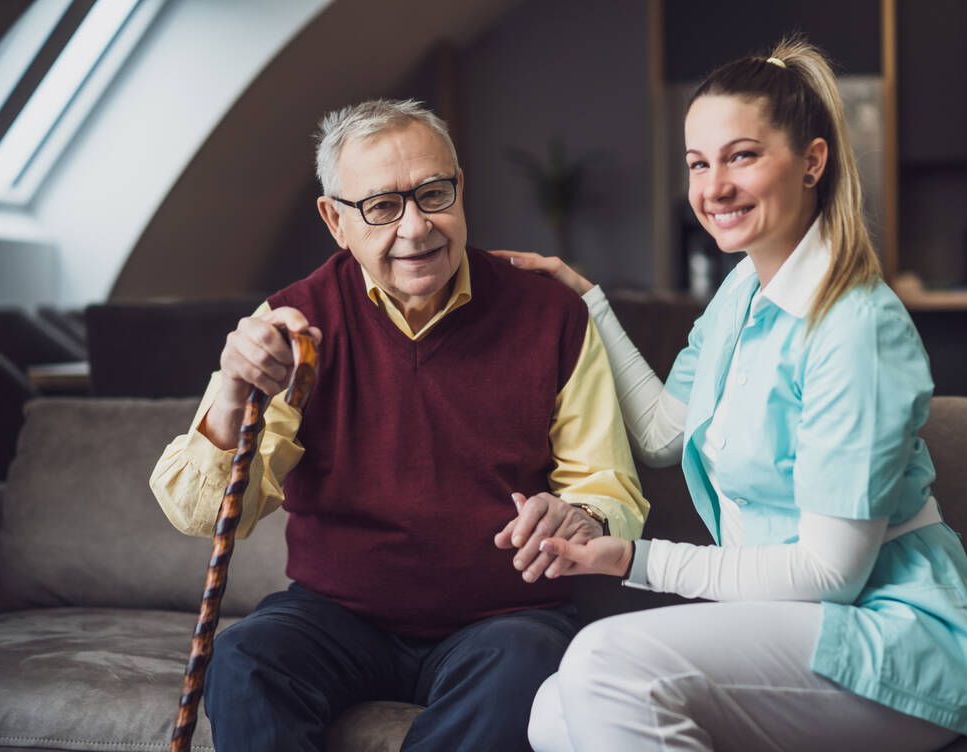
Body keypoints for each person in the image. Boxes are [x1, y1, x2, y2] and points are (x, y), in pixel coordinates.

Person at [496, 38, 967, 752]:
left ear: (813, 162)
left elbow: (830, 572)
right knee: (551, 709)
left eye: (742, 156)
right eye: (699, 164)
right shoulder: (743, 291)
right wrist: (589, 305)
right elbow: (667, 434)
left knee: (604, 665)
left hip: (895, 635)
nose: (713, 187)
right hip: (793, 626)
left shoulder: (855, 324)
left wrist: (628, 558)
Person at [150, 98, 648, 752]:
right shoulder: (294, 325)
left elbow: (611, 489)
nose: (416, 227)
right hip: (336, 615)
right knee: (245, 660)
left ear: (460, 189)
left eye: (433, 194)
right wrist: (234, 394)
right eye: (382, 206)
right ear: (335, 221)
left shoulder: (550, 315)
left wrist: (578, 517)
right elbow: (206, 515)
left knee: (527, 669)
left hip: (503, 620)